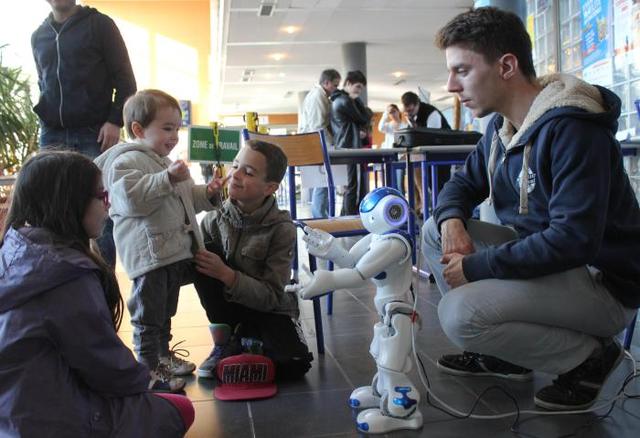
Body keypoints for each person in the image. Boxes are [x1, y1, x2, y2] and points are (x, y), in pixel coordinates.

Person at [422, 7, 640, 411]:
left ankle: (589, 359)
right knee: (434, 231)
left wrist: (475, 269)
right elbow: (462, 184)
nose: (451, 85)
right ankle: (507, 355)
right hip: (557, 269)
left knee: (459, 315)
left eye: (462, 71)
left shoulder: (574, 130)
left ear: (506, 65)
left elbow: (573, 241)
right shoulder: (501, 129)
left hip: (602, 285)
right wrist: (452, 220)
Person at [0, 151, 194, 437]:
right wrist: (147, 381)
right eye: (102, 197)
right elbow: (104, 364)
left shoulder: (16, 251)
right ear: (70, 202)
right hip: (56, 421)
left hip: (13, 417)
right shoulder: (65, 276)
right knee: (180, 407)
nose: (109, 205)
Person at [95, 90, 224, 391]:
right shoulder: (125, 161)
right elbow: (130, 200)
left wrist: (208, 193)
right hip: (149, 254)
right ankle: (149, 368)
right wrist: (167, 178)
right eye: (167, 128)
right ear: (138, 130)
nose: (175, 136)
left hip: (171, 251)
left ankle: (163, 358)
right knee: (147, 316)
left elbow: (186, 198)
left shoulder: (165, 162)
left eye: (177, 128)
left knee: (165, 311)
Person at [193, 140, 313, 380]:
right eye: (235, 165)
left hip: (269, 308)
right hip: (227, 310)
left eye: (248, 172)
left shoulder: (281, 228)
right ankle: (228, 341)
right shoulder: (213, 219)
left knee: (294, 364)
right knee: (203, 254)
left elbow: (271, 296)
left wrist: (226, 275)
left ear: (269, 188)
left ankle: (249, 339)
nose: (235, 175)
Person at [32, 0, 137, 268]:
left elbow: (126, 80)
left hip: (95, 133)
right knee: (52, 210)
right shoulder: (39, 36)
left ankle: (102, 288)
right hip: (52, 135)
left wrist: (114, 121)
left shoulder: (100, 25)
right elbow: (43, 83)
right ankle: (64, 281)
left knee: (101, 211)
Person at [298, 69, 341, 218]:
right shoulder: (318, 96)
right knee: (322, 184)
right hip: (317, 144)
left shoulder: (319, 95)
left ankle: (323, 218)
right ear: (326, 83)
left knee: (323, 184)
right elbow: (318, 126)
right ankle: (321, 220)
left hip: (315, 143)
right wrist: (333, 145)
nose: (336, 89)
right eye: (335, 85)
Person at [401, 91, 452, 216]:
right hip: (428, 155)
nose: (409, 113)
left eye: (411, 110)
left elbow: (431, 136)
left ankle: (445, 213)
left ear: (417, 104)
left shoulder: (431, 113)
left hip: (443, 152)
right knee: (429, 184)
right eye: (407, 111)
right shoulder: (413, 116)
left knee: (440, 185)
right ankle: (434, 211)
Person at [330, 70, 372, 215]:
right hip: (350, 147)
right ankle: (351, 217)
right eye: (358, 87)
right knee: (354, 185)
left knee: (351, 185)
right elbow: (364, 117)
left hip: (345, 145)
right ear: (348, 83)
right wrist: (357, 101)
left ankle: (346, 216)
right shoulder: (345, 100)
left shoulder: (339, 100)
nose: (359, 91)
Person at [378, 104, 409, 192]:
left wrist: (404, 155)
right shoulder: (388, 126)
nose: (392, 114)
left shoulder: (405, 125)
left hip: (400, 157)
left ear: (398, 111)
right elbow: (380, 128)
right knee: (390, 183)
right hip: (389, 157)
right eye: (390, 113)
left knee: (400, 184)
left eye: (394, 111)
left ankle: (402, 204)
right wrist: (385, 113)